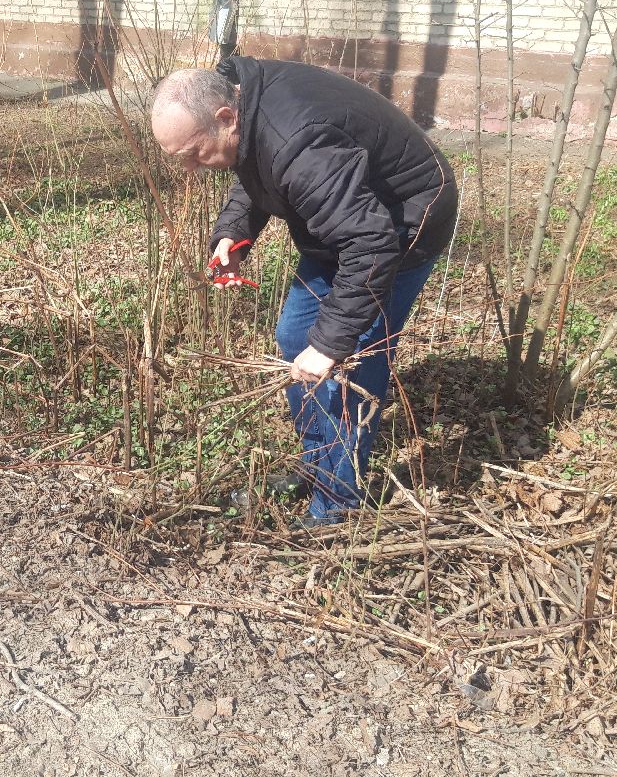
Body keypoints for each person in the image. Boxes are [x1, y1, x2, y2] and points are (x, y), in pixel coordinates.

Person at [150, 57, 458, 523]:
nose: (193, 169)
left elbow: (370, 244)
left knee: (345, 365)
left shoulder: (299, 141)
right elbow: (257, 167)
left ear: (225, 117)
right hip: (347, 224)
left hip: (401, 224)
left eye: (194, 154)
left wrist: (332, 344)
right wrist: (233, 232)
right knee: (297, 342)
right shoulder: (246, 106)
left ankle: (336, 504)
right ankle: (316, 467)